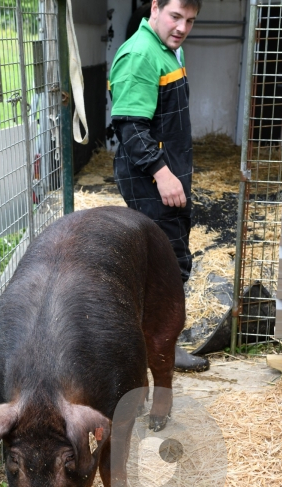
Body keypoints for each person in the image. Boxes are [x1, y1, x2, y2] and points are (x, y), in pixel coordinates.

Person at [109, 0, 209, 372]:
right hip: (150, 175)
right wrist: (162, 174)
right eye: (175, 16)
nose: (182, 27)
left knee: (168, 260)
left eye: (190, 20)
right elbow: (131, 128)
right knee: (166, 265)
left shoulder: (168, 50)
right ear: (155, 7)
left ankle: (156, 342)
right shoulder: (140, 54)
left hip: (168, 170)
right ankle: (159, 350)